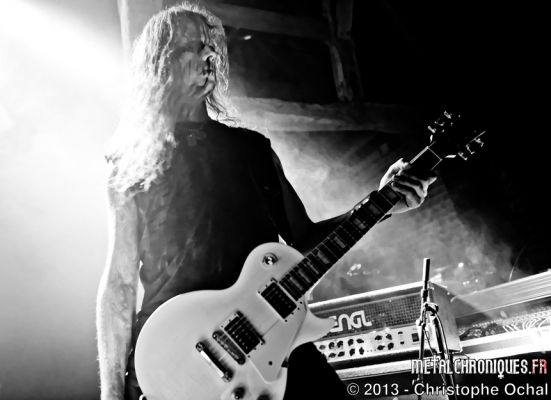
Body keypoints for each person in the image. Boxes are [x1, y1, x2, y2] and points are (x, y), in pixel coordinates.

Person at [96, 3, 436, 400]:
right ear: (161, 61)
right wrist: (111, 393)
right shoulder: (131, 160)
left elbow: (304, 241)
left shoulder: (252, 149)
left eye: (210, 46)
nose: (209, 54)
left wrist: (382, 204)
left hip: (267, 339)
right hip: (176, 361)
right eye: (193, 46)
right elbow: (119, 284)